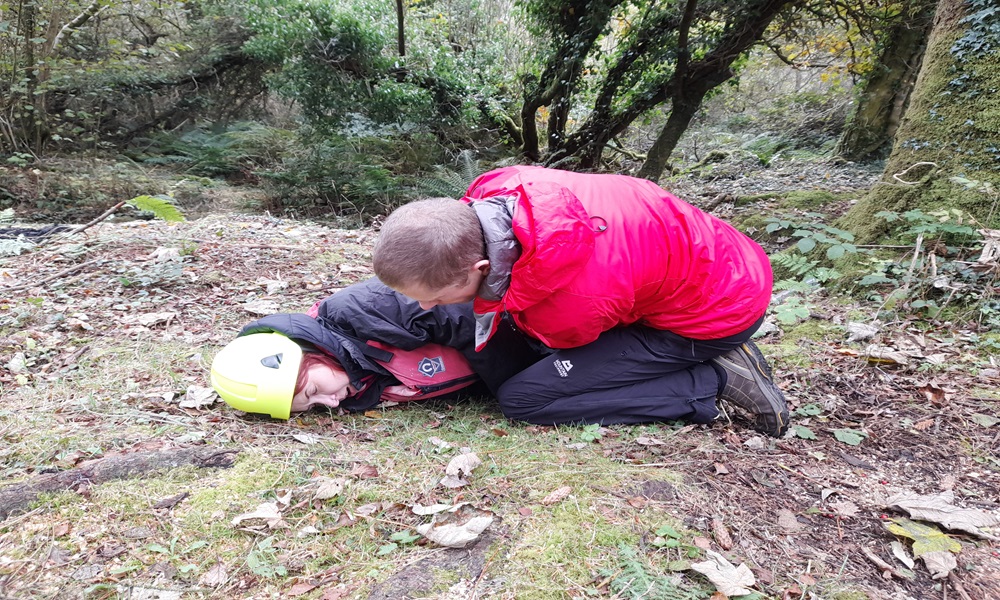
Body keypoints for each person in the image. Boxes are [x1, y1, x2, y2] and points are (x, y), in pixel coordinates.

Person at [372, 165, 790, 436]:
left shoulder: (567, 303)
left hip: (717, 313)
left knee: (525, 397)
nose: (428, 308)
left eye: (437, 298)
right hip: (729, 261)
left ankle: (714, 378)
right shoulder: (500, 188)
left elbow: (563, 341)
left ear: (480, 267)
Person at [210, 277, 545, 419]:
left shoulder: (360, 311)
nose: (329, 402)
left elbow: (470, 320)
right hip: (525, 348)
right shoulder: (355, 375)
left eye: (313, 389)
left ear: (307, 354)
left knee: (523, 403)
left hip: (535, 324)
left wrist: (521, 381)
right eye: (313, 406)